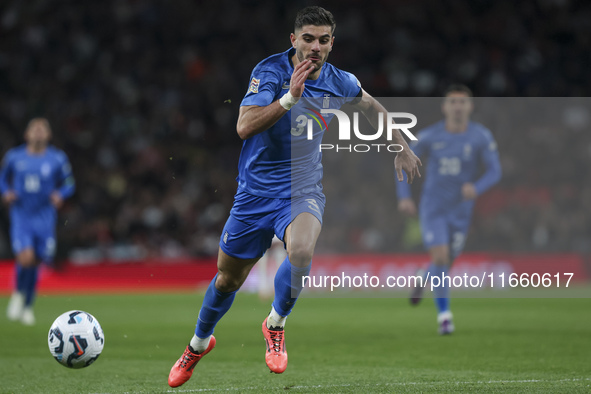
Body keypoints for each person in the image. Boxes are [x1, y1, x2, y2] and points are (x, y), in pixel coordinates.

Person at [168, 6, 421, 388]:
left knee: (301, 252)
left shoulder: (341, 81)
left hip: (301, 190)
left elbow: (370, 106)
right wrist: (288, 98)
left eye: (323, 40)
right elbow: (243, 126)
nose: (315, 47)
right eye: (308, 39)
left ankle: (275, 325)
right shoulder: (269, 72)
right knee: (227, 280)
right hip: (254, 194)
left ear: (332, 43)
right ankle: (198, 345)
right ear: (294, 40)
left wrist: (399, 146)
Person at [396, 84, 501, 335]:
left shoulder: (480, 136)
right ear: (444, 107)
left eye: (462, 102)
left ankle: (423, 275)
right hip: (433, 208)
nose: (457, 107)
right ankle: (445, 317)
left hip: (462, 211)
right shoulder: (430, 136)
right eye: (452, 102)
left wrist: (477, 187)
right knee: (442, 258)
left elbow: (495, 171)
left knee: (445, 262)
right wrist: (404, 196)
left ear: (470, 107)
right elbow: (401, 160)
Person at [1, 118, 75, 325]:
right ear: (27, 134)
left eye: (43, 129)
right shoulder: (14, 157)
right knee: (25, 257)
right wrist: (6, 192)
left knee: (36, 261)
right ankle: (17, 294)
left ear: (49, 135)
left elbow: (69, 183)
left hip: (45, 216)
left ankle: (27, 306)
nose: (39, 132)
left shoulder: (57, 158)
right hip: (21, 214)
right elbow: (2, 178)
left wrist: (60, 194)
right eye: (35, 129)